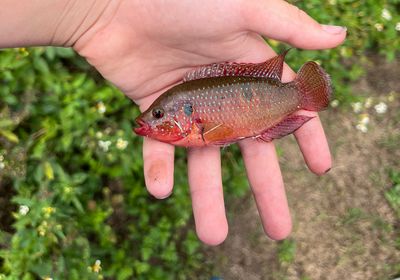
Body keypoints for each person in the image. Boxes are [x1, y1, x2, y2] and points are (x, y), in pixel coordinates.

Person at [0, 0, 346, 245]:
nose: (151, 120)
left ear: (183, 116)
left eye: (159, 115)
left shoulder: (195, 118)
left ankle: (303, 95)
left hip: (269, 98)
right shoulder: (189, 119)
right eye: (156, 115)